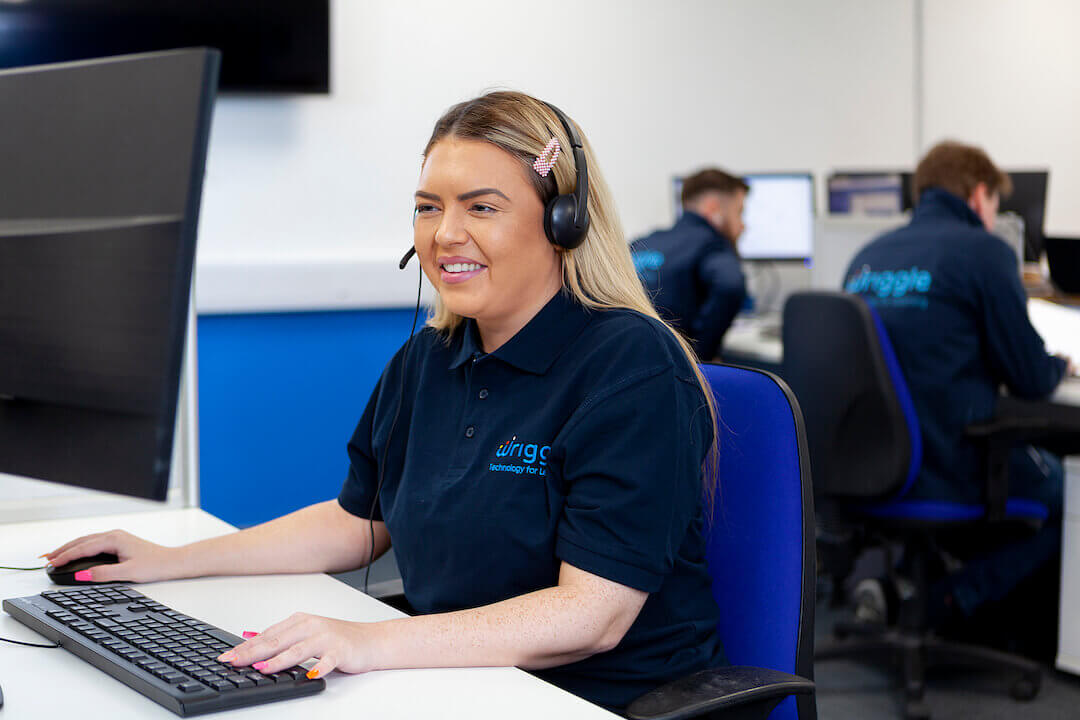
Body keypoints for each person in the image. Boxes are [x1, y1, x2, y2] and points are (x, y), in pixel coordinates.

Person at [44, 91, 726, 712]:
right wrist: (165, 559)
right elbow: (358, 520)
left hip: (597, 702)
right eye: (429, 207)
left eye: (481, 207)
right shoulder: (428, 358)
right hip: (455, 681)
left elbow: (592, 616)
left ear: (563, 222)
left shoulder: (630, 366)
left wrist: (368, 642)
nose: (444, 235)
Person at [843, 140, 1072, 629]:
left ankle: (903, 587)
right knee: (1071, 492)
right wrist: (1059, 365)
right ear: (977, 194)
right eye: (995, 204)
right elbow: (1030, 379)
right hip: (952, 464)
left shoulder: (866, 257)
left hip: (869, 469)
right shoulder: (983, 252)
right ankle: (950, 599)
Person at [630, 168, 748, 361]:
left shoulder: (642, 243)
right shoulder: (711, 243)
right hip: (672, 373)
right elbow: (730, 286)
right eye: (739, 212)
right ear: (713, 208)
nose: (743, 225)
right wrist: (700, 356)